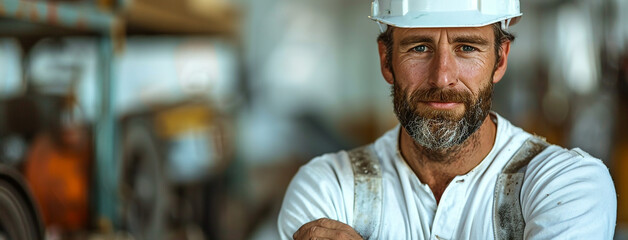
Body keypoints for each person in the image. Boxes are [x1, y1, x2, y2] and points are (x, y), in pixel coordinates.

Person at [278, 0, 617, 239]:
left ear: (500, 61)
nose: (442, 78)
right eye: (419, 48)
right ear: (386, 60)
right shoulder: (327, 188)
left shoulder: (567, 185)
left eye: (467, 47)